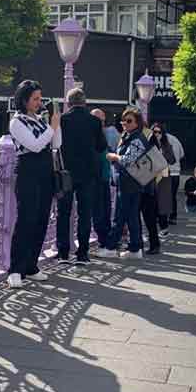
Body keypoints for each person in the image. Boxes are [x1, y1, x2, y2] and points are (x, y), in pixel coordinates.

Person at [7, 80, 62, 288]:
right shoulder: (16, 122)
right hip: (28, 173)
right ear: (24, 100)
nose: (39, 102)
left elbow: (56, 143)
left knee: (41, 220)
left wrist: (56, 125)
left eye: (40, 98)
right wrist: (51, 127)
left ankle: (31, 265)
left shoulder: (40, 120)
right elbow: (35, 145)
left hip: (45, 173)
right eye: (35, 99)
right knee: (26, 220)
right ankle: (15, 269)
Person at [56, 88, 107, 264]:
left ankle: (63, 253)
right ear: (84, 102)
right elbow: (101, 146)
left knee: (63, 212)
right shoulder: (94, 121)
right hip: (88, 174)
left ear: (68, 103)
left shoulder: (62, 120)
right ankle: (82, 253)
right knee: (85, 213)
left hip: (66, 173)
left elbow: (55, 145)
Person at [98, 107, 148, 259]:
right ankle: (135, 248)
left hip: (129, 183)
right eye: (123, 120)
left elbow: (127, 160)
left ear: (137, 123)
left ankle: (111, 247)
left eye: (129, 121)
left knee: (120, 216)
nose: (125, 123)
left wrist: (114, 157)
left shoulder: (137, 139)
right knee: (131, 216)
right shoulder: (130, 136)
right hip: (130, 182)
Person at [140, 124, 176, 253]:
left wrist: (163, 154)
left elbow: (172, 160)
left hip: (163, 176)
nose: (156, 134)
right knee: (151, 208)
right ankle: (149, 239)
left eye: (159, 132)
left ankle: (163, 227)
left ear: (162, 133)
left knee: (162, 203)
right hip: (151, 178)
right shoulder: (148, 143)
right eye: (154, 131)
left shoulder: (167, 145)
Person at [90, 108, 113, 251]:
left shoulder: (103, 134)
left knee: (106, 210)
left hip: (105, 177)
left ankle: (106, 240)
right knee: (98, 211)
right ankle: (103, 240)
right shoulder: (90, 135)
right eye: (100, 121)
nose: (102, 124)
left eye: (104, 121)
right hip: (95, 178)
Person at [164, 129, 185, 223]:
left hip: (165, 172)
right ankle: (173, 217)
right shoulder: (175, 139)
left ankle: (163, 216)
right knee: (172, 196)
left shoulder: (160, 140)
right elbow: (182, 154)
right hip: (176, 172)